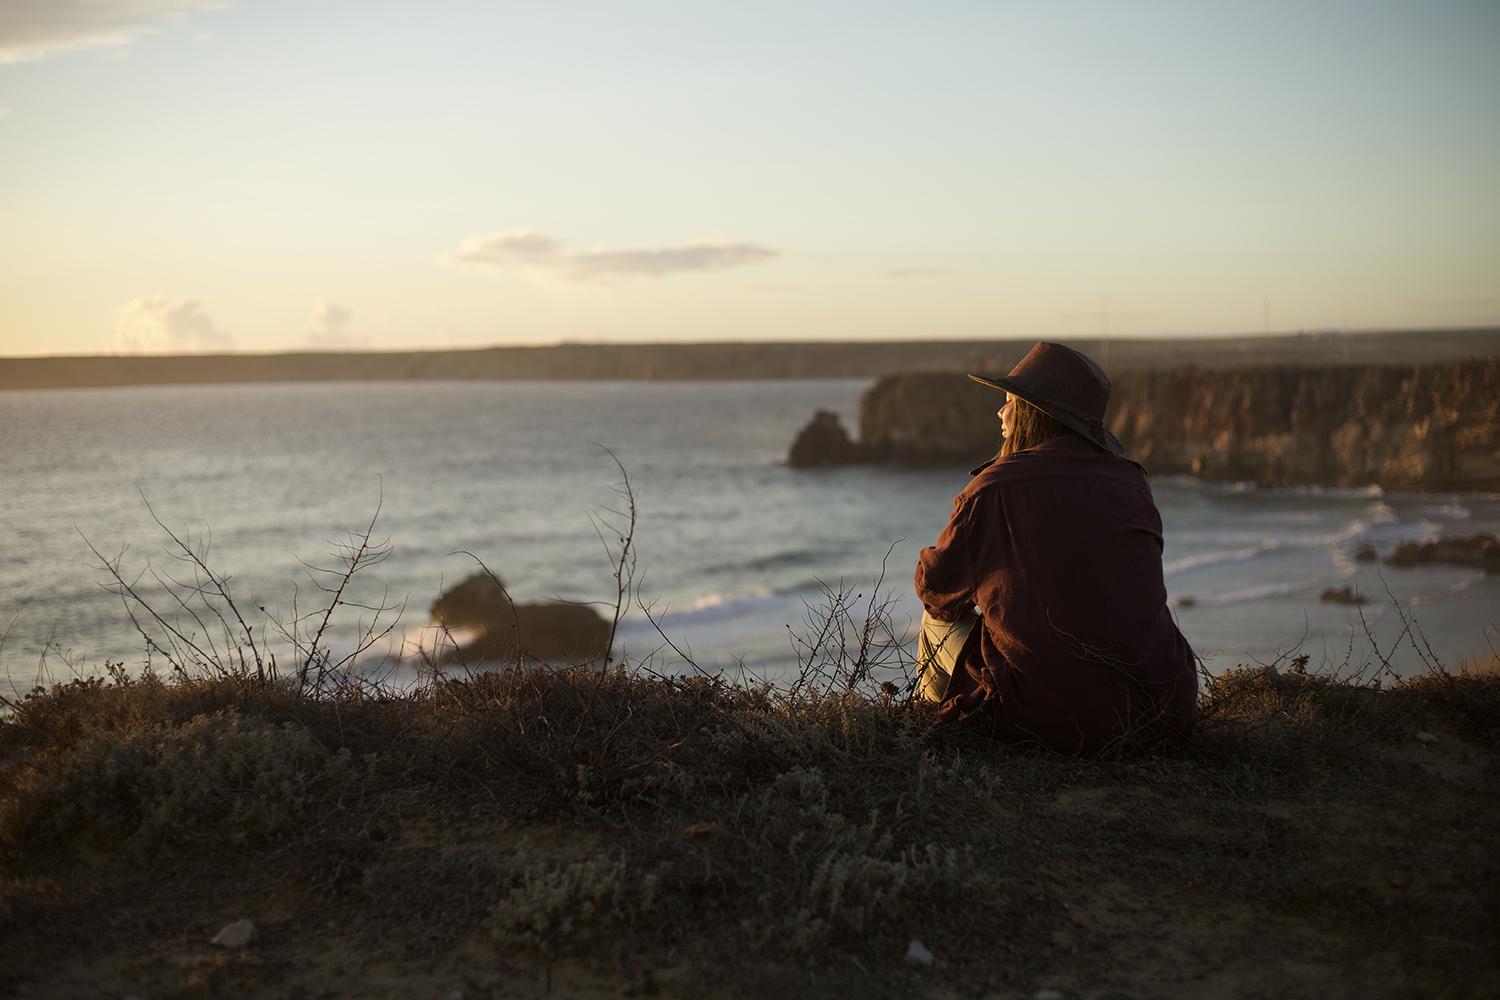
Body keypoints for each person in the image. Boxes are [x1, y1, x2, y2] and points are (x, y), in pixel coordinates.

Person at [913, 342, 1196, 752]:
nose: (1000, 413)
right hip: (1160, 706)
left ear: (1031, 412)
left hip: (1049, 715)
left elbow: (934, 586)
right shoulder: (1133, 484)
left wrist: (984, 589)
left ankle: (932, 745)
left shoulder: (994, 489)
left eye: (1008, 401)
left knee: (934, 621)